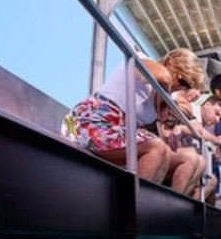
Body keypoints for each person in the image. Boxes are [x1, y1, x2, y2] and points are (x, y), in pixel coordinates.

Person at [61, 48, 206, 194]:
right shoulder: (141, 62)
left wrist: (169, 103)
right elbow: (163, 76)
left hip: (118, 133)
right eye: (182, 80)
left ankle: (141, 200)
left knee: (166, 153)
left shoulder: (163, 95)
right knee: (156, 147)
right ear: (170, 64)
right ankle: (129, 202)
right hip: (90, 121)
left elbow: (187, 110)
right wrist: (165, 99)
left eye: (187, 86)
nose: (181, 87)